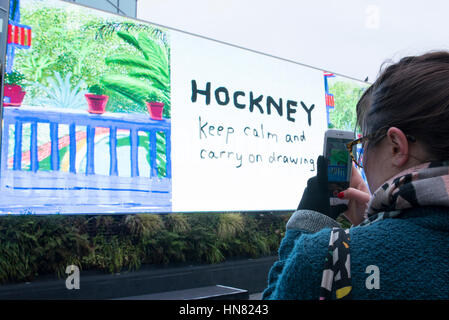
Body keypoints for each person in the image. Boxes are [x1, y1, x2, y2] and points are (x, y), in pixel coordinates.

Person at [262, 51, 449, 300]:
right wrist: (377, 228)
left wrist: (304, 228)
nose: (361, 162)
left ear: (396, 146)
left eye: (364, 144)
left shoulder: (328, 257)